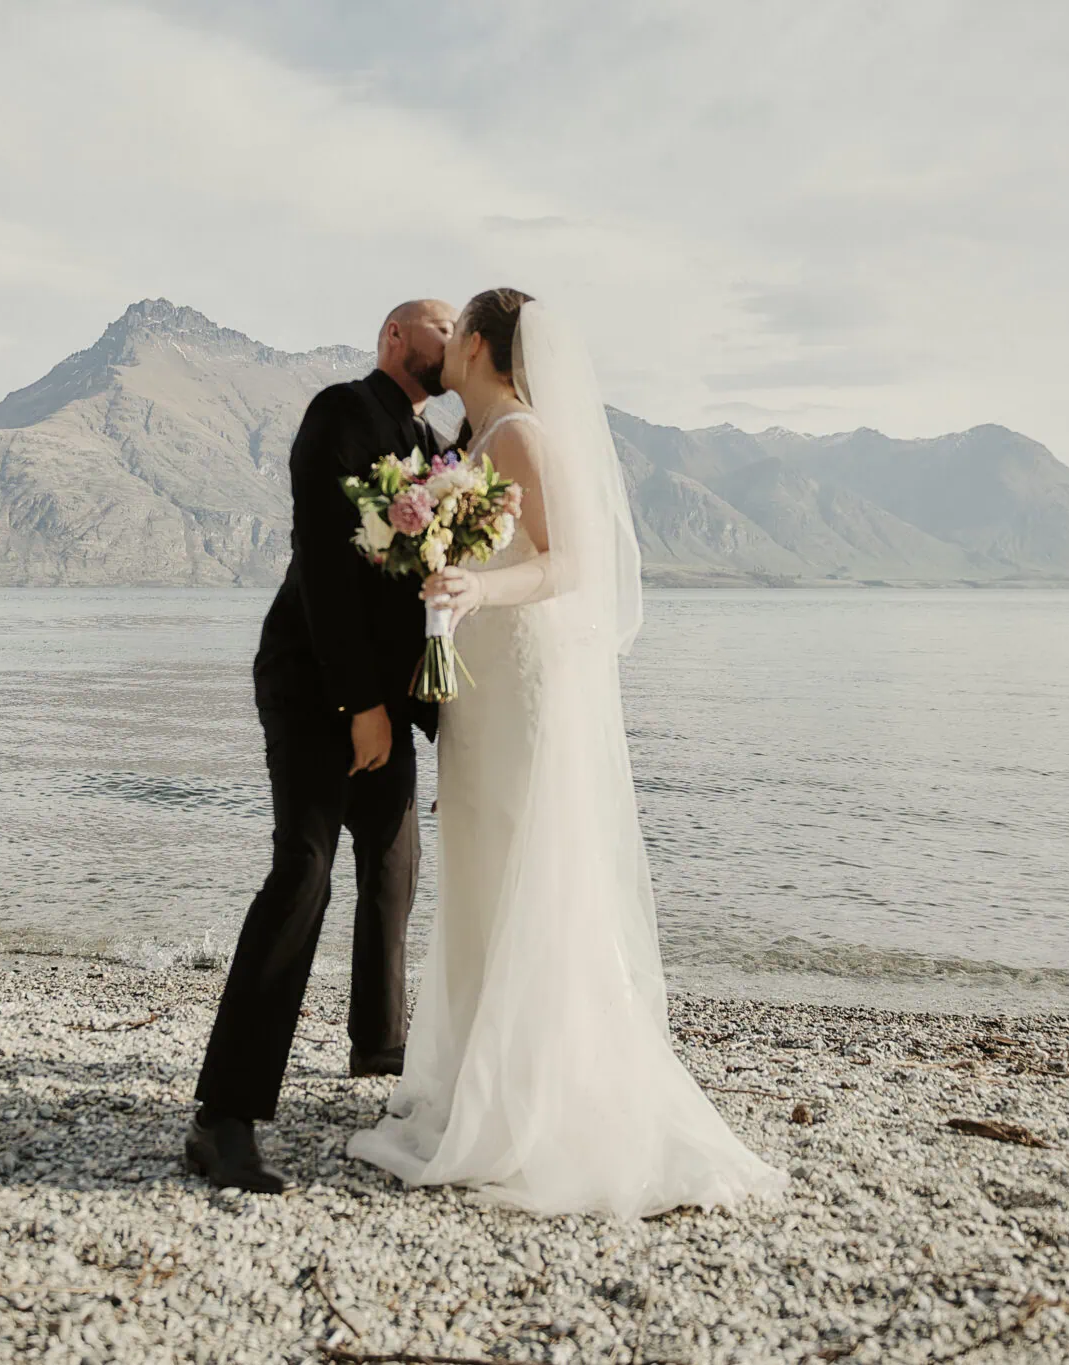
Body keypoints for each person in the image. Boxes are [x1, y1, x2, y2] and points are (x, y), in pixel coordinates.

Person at [345, 289, 787, 1218]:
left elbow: (569, 563)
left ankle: (539, 1097)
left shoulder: (518, 434)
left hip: (522, 683)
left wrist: (476, 588)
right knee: (483, 865)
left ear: (474, 344)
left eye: (453, 330)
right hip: (484, 687)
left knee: (523, 868)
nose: (447, 345)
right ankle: (485, 1079)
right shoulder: (479, 439)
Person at [186, 299, 459, 1194]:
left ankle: (379, 1051)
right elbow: (331, 567)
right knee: (302, 871)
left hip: (382, 701)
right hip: (313, 685)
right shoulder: (340, 412)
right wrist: (358, 705)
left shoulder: (439, 448)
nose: (452, 340)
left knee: (395, 862)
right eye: (439, 328)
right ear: (394, 339)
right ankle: (223, 1117)